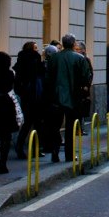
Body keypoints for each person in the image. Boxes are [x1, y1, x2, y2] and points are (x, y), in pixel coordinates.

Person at [45, 33, 91, 162]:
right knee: (71, 127)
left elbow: (48, 78)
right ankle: (69, 155)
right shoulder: (79, 58)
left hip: (56, 96)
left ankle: (55, 153)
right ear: (74, 43)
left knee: (55, 126)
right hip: (73, 96)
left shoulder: (54, 58)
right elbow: (85, 77)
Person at [14, 41, 44, 160]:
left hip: (26, 97)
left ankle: (20, 147)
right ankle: (35, 149)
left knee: (27, 125)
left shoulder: (21, 60)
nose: (37, 50)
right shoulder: (35, 59)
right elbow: (40, 75)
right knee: (36, 124)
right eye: (35, 48)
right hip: (35, 96)